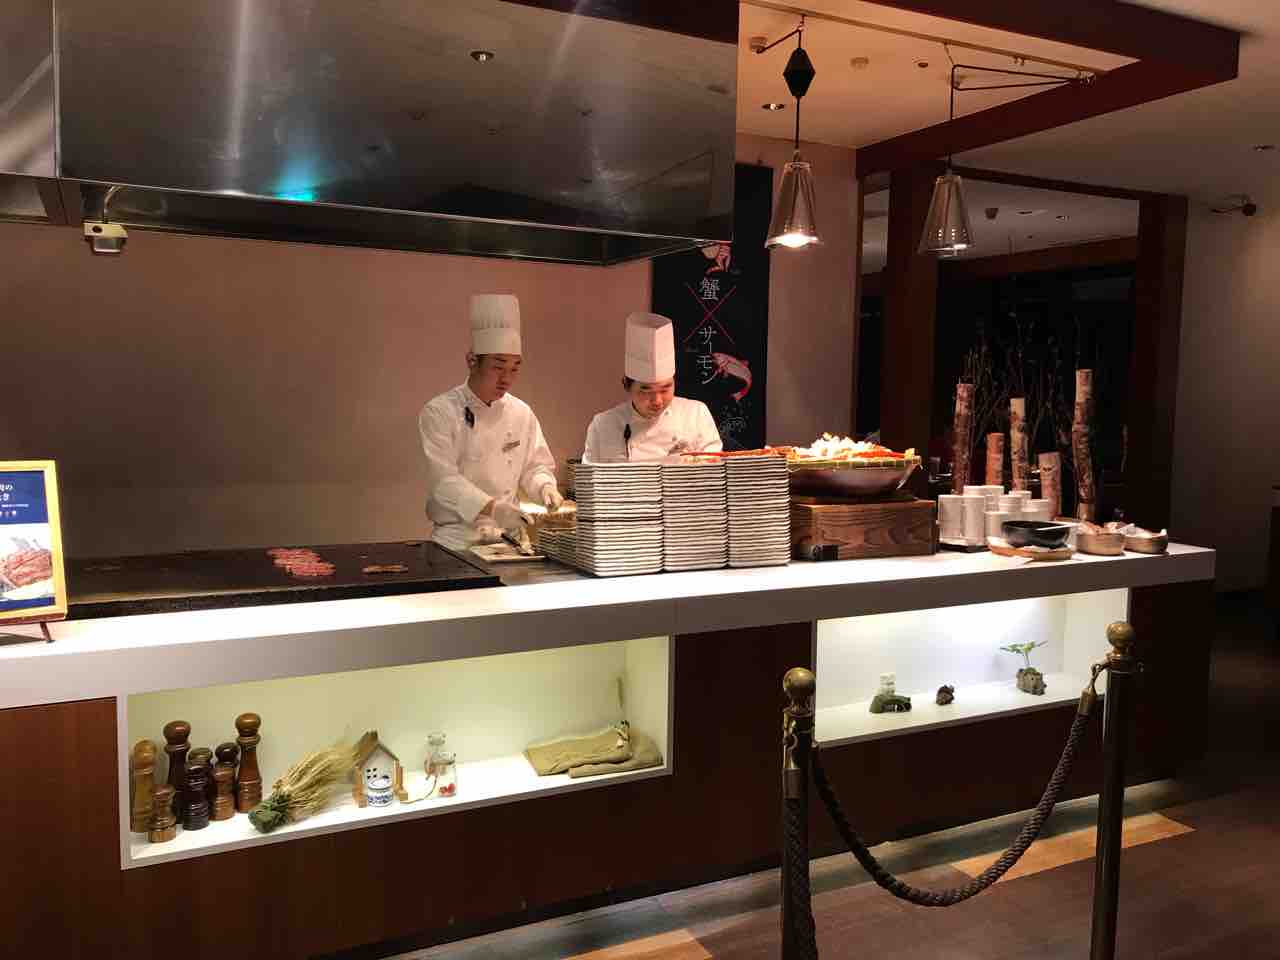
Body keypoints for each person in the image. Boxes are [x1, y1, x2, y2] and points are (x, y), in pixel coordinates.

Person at [418, 294, 563, 551]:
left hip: (509, 542)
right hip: (457, 543)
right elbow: (444, 482)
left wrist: (545, 486)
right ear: (472, 361)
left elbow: (534, 466)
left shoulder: (521, 413)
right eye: (498, 367)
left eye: (515, 368)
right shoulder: (439, 412)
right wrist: (494, 509)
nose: (507, 379)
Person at [583, 312, 722, 462]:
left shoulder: (696, 414)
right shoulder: (603, 425)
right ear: (627, 386)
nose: (657, 401)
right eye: (645, 390)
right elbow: (589, 475)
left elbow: (713, 467)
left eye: (665, 388)